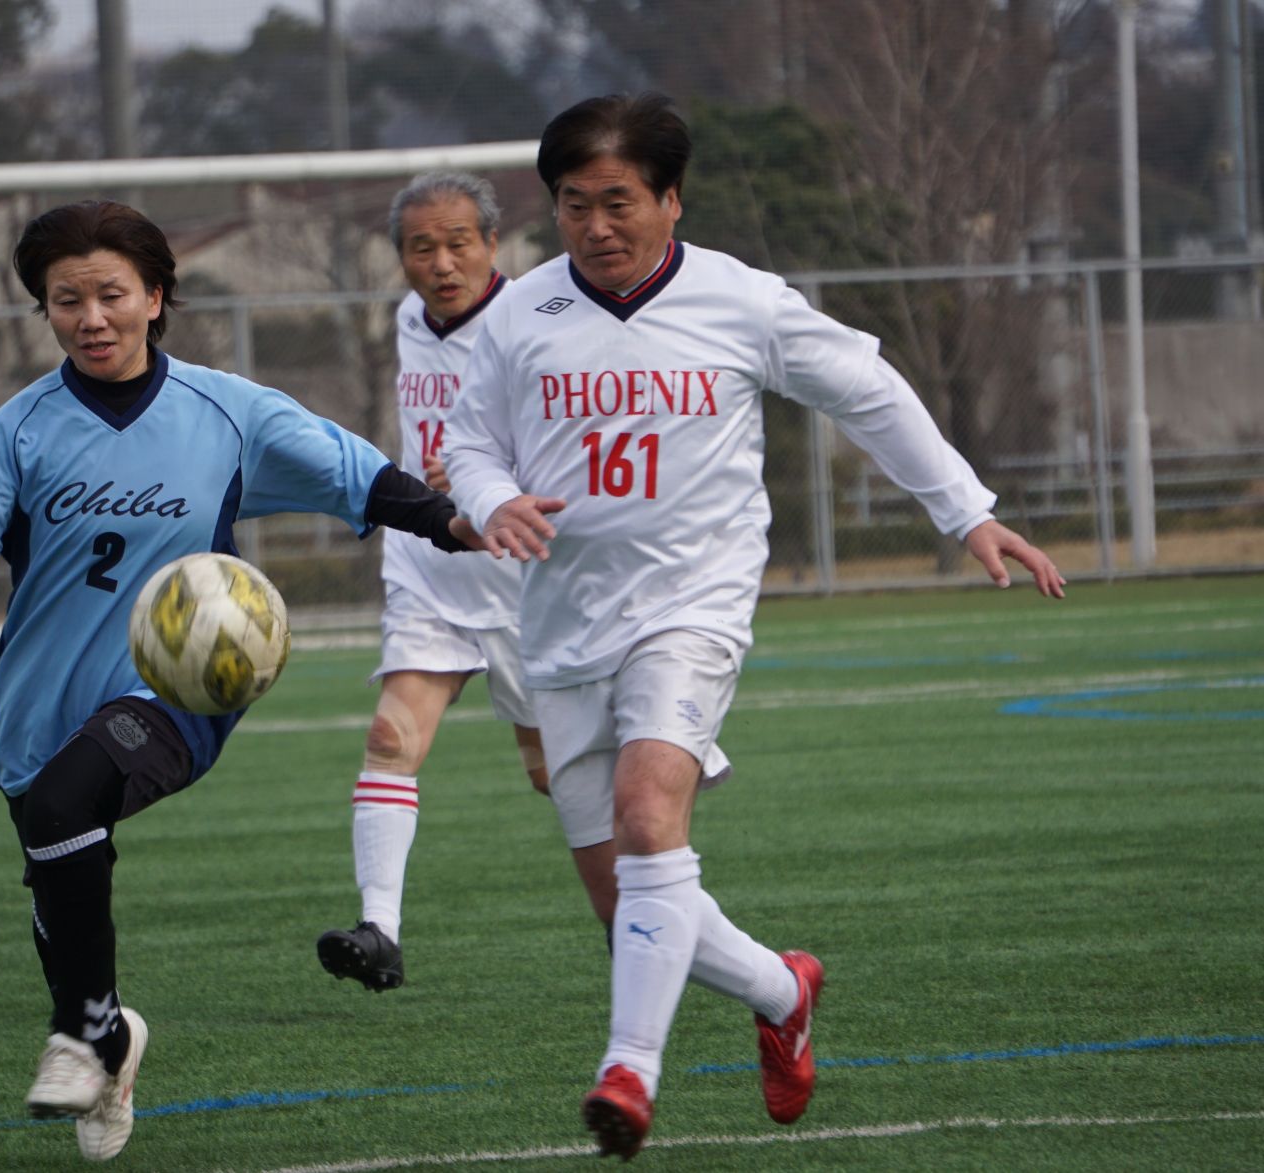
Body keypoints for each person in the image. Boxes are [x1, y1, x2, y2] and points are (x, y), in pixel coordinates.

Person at [443, 93, 1067, 1159]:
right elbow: (468, 442)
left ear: (672, 199)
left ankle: (629, 1073)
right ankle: (783, 991)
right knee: (629, 907)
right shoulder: (518, 315)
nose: (596, 226)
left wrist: (967, 511)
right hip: (562, 622)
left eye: (619, 202)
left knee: (650, 814)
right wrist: (493, 496)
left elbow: (867, 391)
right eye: (574, 205)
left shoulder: (742, 301)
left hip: (693, 605)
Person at [0, 201, 497, 1164]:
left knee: (66, 806)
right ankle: (109, 1037)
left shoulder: (226, 412)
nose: (92, 317)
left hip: (179, 691)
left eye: (112, 295)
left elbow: (353, 473)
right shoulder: (20, 430)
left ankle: (81, 1038)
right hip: (41, 704)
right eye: (67, 300)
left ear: (155, 297)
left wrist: (449, 521)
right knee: (56, 855)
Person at [315, 172, 563, 994]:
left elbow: (572, 439)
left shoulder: (536, 322)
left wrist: (491, 474)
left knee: (554, 774)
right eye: (422, 247)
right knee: (391, 740)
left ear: (493, 244)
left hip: (522, 583)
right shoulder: (407, 318)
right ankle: (379, 929)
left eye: (459, 243)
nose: (442, 262)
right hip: (428, 569)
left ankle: (657, 898)